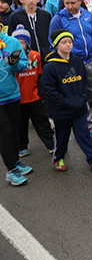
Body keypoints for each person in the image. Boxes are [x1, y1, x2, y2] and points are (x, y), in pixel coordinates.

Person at [41, 30, 92, 173]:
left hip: (78, 107)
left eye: (70, 41)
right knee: (62, 136)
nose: (68, 45)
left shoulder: (77, 61)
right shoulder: (50, 66)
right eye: (64, 42)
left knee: (83, 134)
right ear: (56, 45)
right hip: (61, 110)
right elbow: (50, 91)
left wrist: (82, 98)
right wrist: (66, 102)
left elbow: (84, 82)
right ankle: (58, 158)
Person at [49, 0, 92, 143]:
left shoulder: (87, 15)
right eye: (66, 3)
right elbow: (52, 43)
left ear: (80, 1)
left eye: (73, 3)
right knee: (80, 95)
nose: (69, 6)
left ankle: (77, 113)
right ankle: (90, 129)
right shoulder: (58, 19)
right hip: (72, 64)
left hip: (89, 61)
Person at [12, 26, 54, 158]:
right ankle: (22, 146)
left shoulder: (35, 56)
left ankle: (52, 144)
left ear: (28, 43)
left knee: (42, 121)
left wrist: (41, 90)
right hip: (18, 97)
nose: (20, 44)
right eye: (16, 41)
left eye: (22, 42)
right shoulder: (11, 58)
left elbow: (40, 74)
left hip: (34, 95)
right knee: (20, 124)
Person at [0, 26, 32, 185]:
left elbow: (23, 65)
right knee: (4, 132)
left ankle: (16, 161)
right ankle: (11, 170)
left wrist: (14, 63)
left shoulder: (11, 42)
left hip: (12, 94)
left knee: (13, 131)